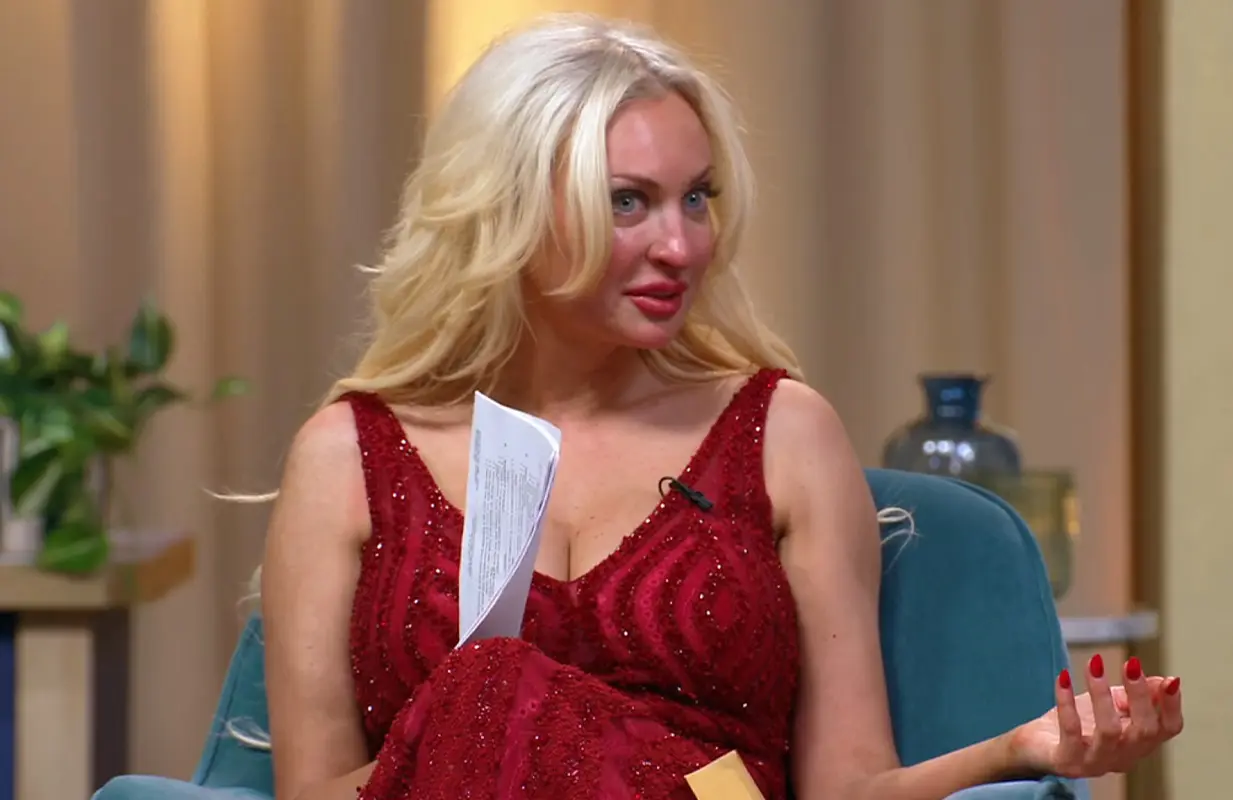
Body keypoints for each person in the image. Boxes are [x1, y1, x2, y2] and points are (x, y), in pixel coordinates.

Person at [256, 13, 1183, 800]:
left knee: (489, 689)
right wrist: (470, 730)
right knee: (485, 693)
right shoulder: (346, 458)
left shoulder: (783, 435)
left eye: (696, 199)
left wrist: (1018, 748)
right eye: (629, 202)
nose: (680, 245)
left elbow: (847, 788)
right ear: (508, 210)